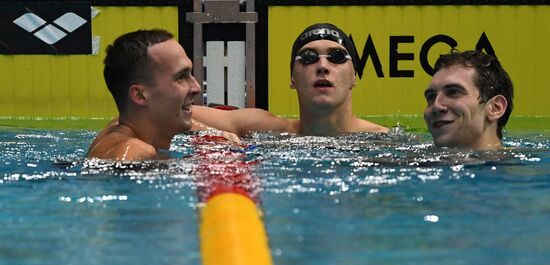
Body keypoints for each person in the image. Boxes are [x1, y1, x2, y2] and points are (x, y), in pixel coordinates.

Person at [191, 23, 388, 136]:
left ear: (354, 77)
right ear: (292, 78)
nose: (322, 66)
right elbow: (170, 113)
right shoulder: (266, 130)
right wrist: (211, 132)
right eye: (308, 57)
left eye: (336, 56)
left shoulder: (382, 140)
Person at [87, 29, 237, 161]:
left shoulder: (120, 127)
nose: (197, 87)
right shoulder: (136, 154)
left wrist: (212, 133)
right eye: (180, 77)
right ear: (140, 95)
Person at [423, 50, 514, 150]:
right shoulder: (414, 162)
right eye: (431, 97)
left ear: (495, 108)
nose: (436, 106)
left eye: (453, 92)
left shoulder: (523, 163)